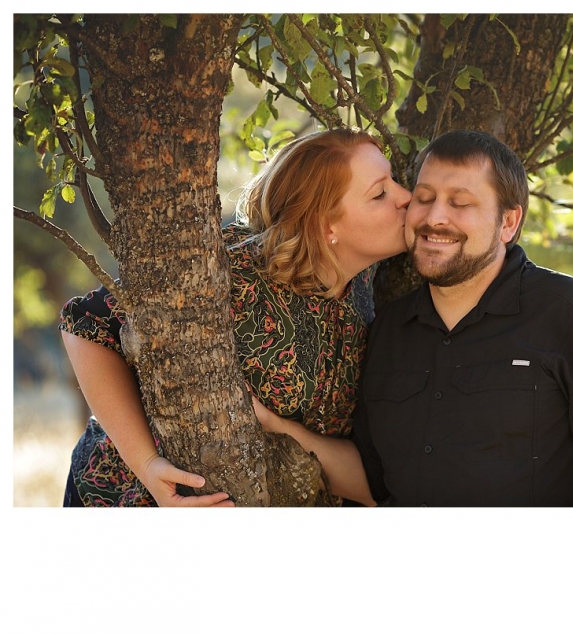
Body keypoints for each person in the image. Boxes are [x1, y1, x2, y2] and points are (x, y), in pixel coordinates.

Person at [254, 129, 573, 506]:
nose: (436, 217)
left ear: (508, 222)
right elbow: (373, 479)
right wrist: (272, 425)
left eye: (461, 203)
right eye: (424, 197)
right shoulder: (386, 329)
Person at [59, 127, 410, 507]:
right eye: (380, 193)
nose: (407, 197)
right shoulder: (230, 270)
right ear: (326, 225)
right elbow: (86, 324)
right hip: (129, 496)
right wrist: (147, 465)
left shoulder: (366, 283)